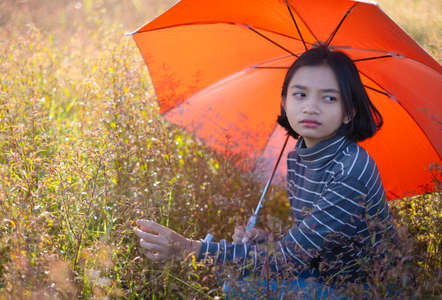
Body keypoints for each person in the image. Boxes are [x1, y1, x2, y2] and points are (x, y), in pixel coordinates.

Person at [133, 45, 398, 298]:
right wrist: (268, 240)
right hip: (322, 272)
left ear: (349, 112)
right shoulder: (298, 156)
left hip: (363, 289)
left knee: (242, 287)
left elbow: (287, 260)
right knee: (239, 272)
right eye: (300, 94)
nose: (310, 107)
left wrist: (189, 248)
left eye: (329, 98)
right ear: (284, 102)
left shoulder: (349, 171)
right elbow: (311, 241)